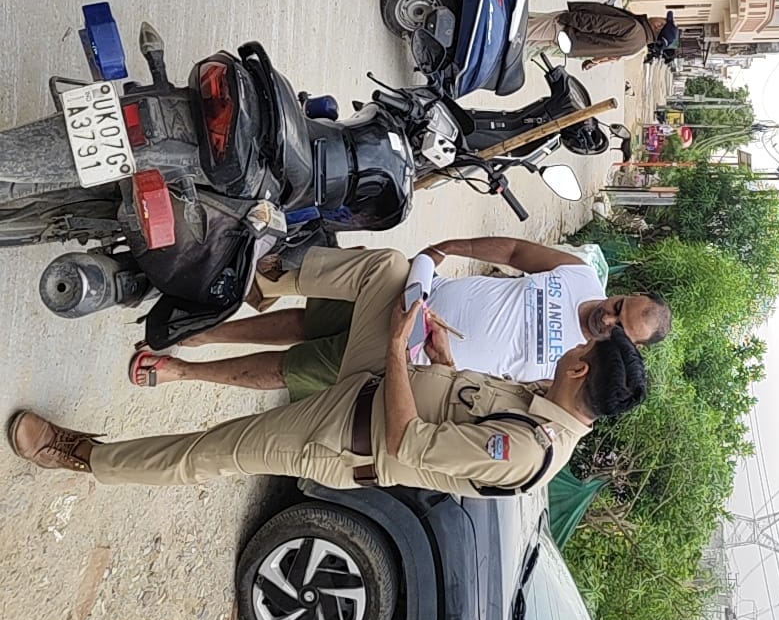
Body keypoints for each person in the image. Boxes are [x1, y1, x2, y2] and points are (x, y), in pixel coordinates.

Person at [7, 247, 648, 497]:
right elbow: (457, 397)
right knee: (390, 271)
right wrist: (440, 357)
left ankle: (79, 455)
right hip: (380, 380)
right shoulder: (545, 399)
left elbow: (407, 441)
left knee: (209, 453)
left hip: (344, 438)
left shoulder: (528, 451)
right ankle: (258, 272)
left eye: (587, 347)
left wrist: (396, 347)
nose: (580, 340)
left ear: (581, 367)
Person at [127, 235, 671, 398]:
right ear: (623, 295)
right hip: (410, 294)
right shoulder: (580, 275)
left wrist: (443, 364)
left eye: (620, 329)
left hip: (406, 358)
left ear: (629, 345)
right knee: (302, 323)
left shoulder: (578, 368)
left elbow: (503, 397)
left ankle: (183, 371)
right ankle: (205, 331)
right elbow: (513, 252)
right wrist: (446, 250)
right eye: (618, 308)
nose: (608, 319)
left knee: (290, 369)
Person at [525, 0, 675, 69]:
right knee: (524, 43)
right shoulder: (637, 46)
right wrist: (594, 61)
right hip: (570, 43)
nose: (659, 16)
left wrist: (567, 18)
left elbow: (596, 23)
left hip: (566, 28)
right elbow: (611, 56)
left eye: (663, 19)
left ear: (659, 25)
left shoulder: (634, 28)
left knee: (522, 31)